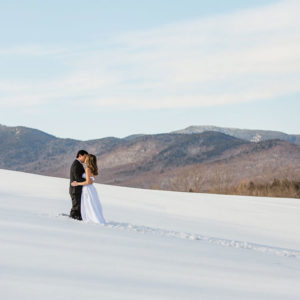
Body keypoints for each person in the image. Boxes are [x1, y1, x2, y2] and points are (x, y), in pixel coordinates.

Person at [71, 154, 106, 224]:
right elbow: (90, 180)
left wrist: (77, 183)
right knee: (93, 203)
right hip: (92, 188)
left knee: (89, 203)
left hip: (88, 188)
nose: (85, 159)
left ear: (88, 160)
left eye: (86, 158)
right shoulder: (92, 168)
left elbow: (88, 182)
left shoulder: (88, 169)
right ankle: (94, 217)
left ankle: (91, 218)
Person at [69, 150, 89, 220]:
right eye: (85, 157)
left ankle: (78, 217)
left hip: (77, 189)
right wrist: (87, 181)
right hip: (75, 189)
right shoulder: (76, 164)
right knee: (76, 206)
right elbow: (77, 178)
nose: (86, 159)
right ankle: (73, 219)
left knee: (78, 205)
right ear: (80, 155)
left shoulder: (79, 164)